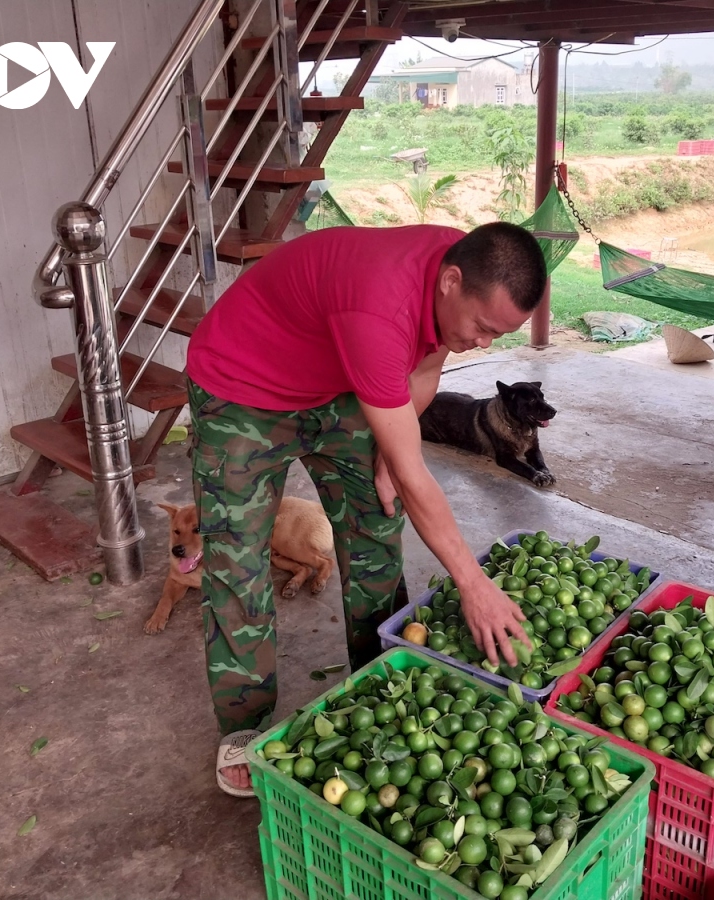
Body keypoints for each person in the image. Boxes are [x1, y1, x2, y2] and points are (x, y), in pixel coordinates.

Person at [184, 221, 547, 796]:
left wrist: (391, 449)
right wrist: (472, 583)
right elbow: (419, 472)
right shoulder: (381, 308)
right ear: (451, 282)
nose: (485, 345)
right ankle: (243, 724)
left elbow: (426, 367)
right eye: (483, 328)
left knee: (378, 518)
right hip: (243, 388)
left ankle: (382, 677)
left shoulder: (462, 266)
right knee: (238, 562)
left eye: (499, 334)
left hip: (332, 381)